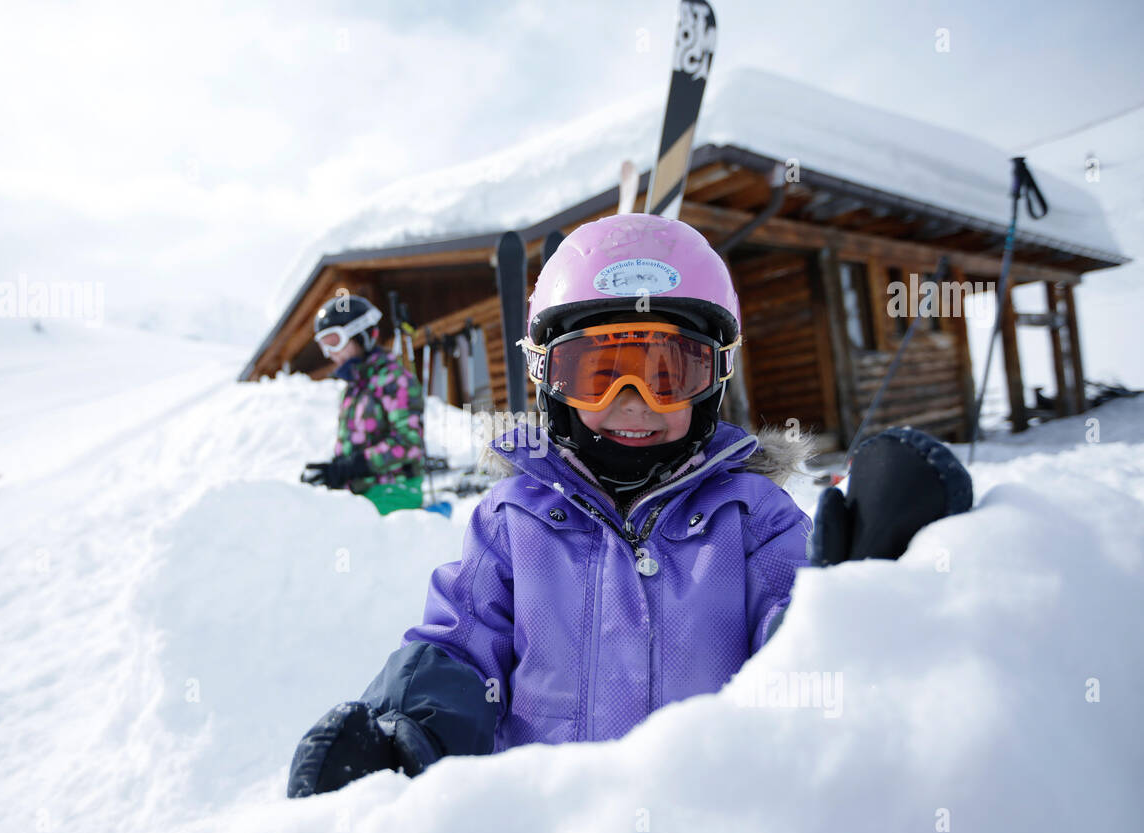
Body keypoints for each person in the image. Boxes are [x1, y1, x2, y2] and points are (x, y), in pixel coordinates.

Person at [287, 214, 971, 798]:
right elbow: (458, 652)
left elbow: (800, 640)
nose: (633, 401)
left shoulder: (753, 518)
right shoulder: (512, 521)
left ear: (713, 383)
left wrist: (862, 602)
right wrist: (405, 734)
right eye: (597, 373)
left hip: (714, 832)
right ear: (550, 383)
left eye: (669, 372)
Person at [301, 293, 427, 515]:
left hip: (394, 492)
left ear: (362, 335)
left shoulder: (393, 379)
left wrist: (355, 466)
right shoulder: (353, 388)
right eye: (324, 345)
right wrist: (335, 471)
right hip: (361, 493)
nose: (330, 353)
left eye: (334, 341)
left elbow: (409, 442)